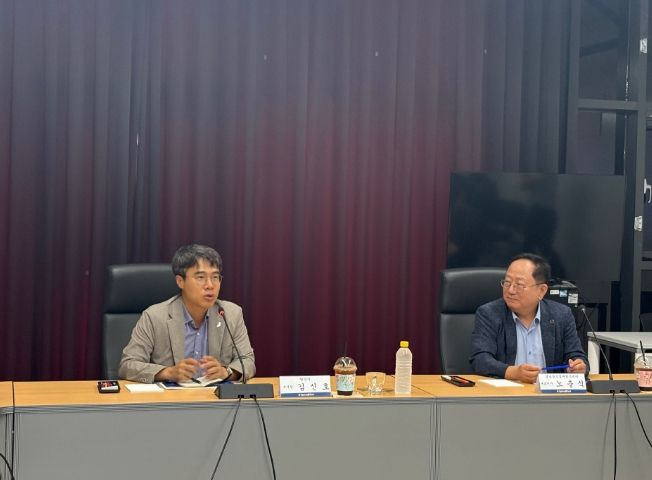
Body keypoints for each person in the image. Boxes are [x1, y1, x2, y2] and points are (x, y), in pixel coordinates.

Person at [119, 244, 256, 383]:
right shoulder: (154, 317)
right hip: (172, 395)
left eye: (215, 277)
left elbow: (247, 361)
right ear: (180, 281)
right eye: (201, 277)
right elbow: (128, 365)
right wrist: (168, 372)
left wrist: (226, 372)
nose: (210, 285)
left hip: (214, 395)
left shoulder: (230, 314)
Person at [470, 253, 588, 383]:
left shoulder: (561, 315)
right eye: (507, 282)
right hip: (507, 391)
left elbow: (577, 356)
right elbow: (480, 359)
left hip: (549, 392)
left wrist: (578, 367)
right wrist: (514, 372)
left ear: (541, 290)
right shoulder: (490, 313)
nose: (510, 290)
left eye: (519, 285)